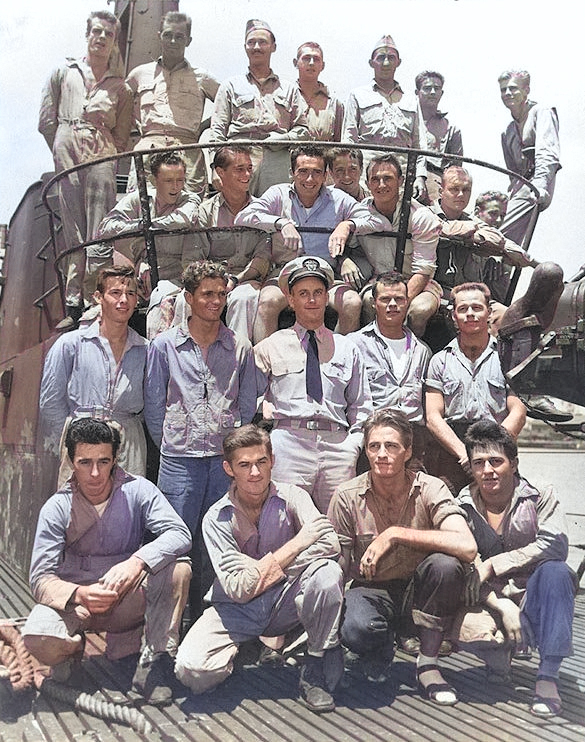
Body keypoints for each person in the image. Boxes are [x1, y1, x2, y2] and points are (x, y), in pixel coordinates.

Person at [21, 418, 192, 707]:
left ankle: (152, 662)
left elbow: (180, 533)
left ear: (115, 459)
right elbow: (39, 578)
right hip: (77, 606)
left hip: (124, 597)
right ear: (72, 461)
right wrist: (79, 594)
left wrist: (137, 561)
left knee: (179, 569)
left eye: (104, 461)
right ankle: (71, 652)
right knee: (37, 638)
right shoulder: (57, 507)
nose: (96, 473)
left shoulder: (139, 490)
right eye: (85, 462)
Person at [175, 424, 345, 713]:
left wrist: (261, 568)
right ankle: (245, 649)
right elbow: (237, 589)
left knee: (328, 573)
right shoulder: (216, 518)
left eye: (261, 462)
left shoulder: (295, 496)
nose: (255, 473)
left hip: (287, 600)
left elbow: (330, 544)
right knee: (192, 672)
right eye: (244, 465)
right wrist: (296, 545)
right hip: (237, 609)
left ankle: (315, 663)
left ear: (272, 461)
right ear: (229, 468)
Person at [327, 409, 477, 702]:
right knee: (357, 627)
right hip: (372, 588)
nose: (382, 454)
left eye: (392, 446)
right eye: (374, 446)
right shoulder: (346, 496)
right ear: (366, 451)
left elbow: (467, 546)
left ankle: (428, 664)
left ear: (407, 452)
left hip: (421, 591)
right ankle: (380, 647)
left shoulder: (431, 487)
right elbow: (339, 564)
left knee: (446, 565)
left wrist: (394, 534)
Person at [143, 260, 258, 619]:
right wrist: (172, 442)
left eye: (221, 294)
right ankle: (169, 622)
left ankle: (208, 616)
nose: (216, 301)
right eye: (207, 294)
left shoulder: (240, 347)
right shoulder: (164, 346)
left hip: (222, 464)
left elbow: (248, 403)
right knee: (175, 539)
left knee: (218, 541)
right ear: (189, 298)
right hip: (179, 461)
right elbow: (153, 403)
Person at [460, 420, 575, 717]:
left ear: (514, 463)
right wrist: (502, 607)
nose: (488, 470)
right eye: (479, 463)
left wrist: (495, 563)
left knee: (558, 573)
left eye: (496, 461)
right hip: (488, 601)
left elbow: (556, 545)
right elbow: (464, 564)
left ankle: (548, 676)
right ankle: (498, 656)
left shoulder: (540, 494)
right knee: (453, 576)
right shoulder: (462, 504)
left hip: (531, 598)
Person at [254, 256, 373, 513]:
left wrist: (353, 444)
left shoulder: (346, 347)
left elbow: (361, 404)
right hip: (289, 442)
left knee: (340, 523)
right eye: (303, 293)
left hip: (337, 445)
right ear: (291, 300)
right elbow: (248, 398)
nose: (311, 300)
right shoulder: (270, 346)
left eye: (318, 292)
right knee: (285, 520)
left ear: (326, 297)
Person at [39, 10, 133, 330]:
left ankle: (97, 298)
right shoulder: (64, 73)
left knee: (100, 228)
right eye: (96, 31)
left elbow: (122, 134)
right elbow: (46, 120)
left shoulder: (120, 87)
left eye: (108, 34)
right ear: (87, 34)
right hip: (67, 143)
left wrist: (104, 148)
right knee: (72, 229)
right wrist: (62, 144)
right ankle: (73, 302)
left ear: (114, 41)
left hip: (102, 150)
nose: (101, 38)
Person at [235, 145, 378, 341]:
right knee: (267, 301)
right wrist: (280, 223)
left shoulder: (339, 199)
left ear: (325, 175)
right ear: (292, 173)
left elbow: (377, 221)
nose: (310, 179)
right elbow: (243, 217)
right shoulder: (278, 194)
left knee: (352, 302)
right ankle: (265, 365)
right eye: (303, 172)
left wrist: (347, 225)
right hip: (285, 275)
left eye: (316, 172)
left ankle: (341, 363)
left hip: (326, 275)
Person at [39, 266, 148, 486]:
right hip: (82, 442)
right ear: (98, 297)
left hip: (130, 443)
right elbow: (50, 403)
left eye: (130, 294)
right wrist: (73, 439)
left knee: (126, 511)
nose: (123, 300)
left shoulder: (146, 349)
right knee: (80, 514)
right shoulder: (70, 344)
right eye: (115, 293)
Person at [425, 282, 526, 495]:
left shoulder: (508, 358)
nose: (470, 314)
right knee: (446, 514)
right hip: (453, 452)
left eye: (477, 308)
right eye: (463, 309)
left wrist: (492, 450)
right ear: (453, 316)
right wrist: (465, 454)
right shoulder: (439, 361)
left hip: (497, 445)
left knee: (507, 516)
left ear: (488, 312)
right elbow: (433, 417)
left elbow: (518, 410)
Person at [96, 152, 204, 337]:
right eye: (169, 180)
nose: (176, 186)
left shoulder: (190, 199)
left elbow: (182, 219)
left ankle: (158, 352)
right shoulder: (140, 199)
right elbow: (106, 228)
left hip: (176, 275)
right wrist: (139, 225)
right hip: (142, 278)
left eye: (180, 180)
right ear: (155, 180)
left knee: (162, 298)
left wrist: (148, 225)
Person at [210, 19, 309, 196]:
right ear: (245, 47)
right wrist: (214, 168)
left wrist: (284, 138)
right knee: (236, 215)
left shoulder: (289, 89)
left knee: (276, 213)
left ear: (273, 47)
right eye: (251, 42)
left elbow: (303, 129)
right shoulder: (230, 86)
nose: (256, 47)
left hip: (277, 161)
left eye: (262, 42)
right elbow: (217, 131)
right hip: (238, 158)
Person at [347, 153, 442, 336]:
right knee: (369, 302)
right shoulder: (359, 212)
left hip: (418, 282)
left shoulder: (421, 216)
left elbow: (423, 271)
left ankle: (411, 354)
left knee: (419, 311)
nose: (381, 185)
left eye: (388, 178)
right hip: (380, 280)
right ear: (367, 184)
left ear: (401, 181)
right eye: (375, 179)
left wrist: (398, 301)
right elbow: (350, 248)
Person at [126, 11, 219, 198]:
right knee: (141, 207)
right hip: (147, 150)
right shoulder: (139, 74)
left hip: (188, 152)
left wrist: (202, 128)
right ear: (159, 36)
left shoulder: (203, 77)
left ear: (189, 40)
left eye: (179, 36)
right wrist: (138, 125)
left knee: (190, 210)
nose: (173, 41)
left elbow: (227, 105)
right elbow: (120, 104)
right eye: (168, 35)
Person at [349, 272, 431, 469]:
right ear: (373, 303)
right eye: (385, 299)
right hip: (372, 437)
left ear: (407, 302)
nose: (392, 304)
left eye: (399, 299)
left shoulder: (422, 350)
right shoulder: (354, 344)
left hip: (413, 441)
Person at [196, 146, 271, 339]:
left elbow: (262, 257)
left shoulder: (262, 210)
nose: (247, 174)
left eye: (249, 168)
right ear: (221, 172)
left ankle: (238, 361)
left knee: (244, 298)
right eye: (239, 169)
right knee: (185, 299)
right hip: (213, 279)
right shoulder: (206, 211)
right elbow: (196, 257)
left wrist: (237, 279)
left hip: (247, 279)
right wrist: (217, 281)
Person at [342, 34, 427, 202]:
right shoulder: (357, 95)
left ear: (398, 62)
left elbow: (420, 144)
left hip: (402, 176)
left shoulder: (411, 100)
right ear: (371, 63)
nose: (386, 63)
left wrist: (420, 177)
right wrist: (352, 178)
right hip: (367, 175)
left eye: (391, 58)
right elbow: (348, 140)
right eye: (381, 57)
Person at [431, 166, 534, 305]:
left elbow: (506, 245)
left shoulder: (475, 224)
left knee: (504, 317)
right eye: (455, 189)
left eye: (466, 190)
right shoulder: (425, 214)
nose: (461, 194)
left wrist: (496, 252)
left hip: (471, 297)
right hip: (437, 292)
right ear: (441, 191)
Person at [499, 70, 561, 247]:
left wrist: (540, 186)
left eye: (513, 88)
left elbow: (548, 153)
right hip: (520, 186)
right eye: (503, 90)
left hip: (537, 184)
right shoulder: (508, 131)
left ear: (526, 90)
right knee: (493, 222)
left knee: (501, 235)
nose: (507, 93)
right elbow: (512, 172)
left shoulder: (542, 112)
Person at [415, 71, 463, 203]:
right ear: (417, 92)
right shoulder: (405, 121)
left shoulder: (451, 129)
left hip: (435, 180)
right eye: (427, 88)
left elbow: (456, 168)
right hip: (406, 175)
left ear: (441, 93)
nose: (432, 92)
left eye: (436, 89)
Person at [293, 42, 344, 142]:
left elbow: (340, 142)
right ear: (295, 63)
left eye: (316, 59)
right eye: (306, 58)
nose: (311, 63)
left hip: (324, 156)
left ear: (322, 65)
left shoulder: (333, 103)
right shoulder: (286, 95)